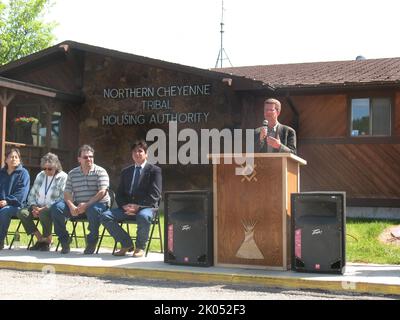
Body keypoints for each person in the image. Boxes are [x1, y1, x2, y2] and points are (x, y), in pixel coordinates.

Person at [101, 140, 162, 258]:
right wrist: (124, 205)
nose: (137, 153)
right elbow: (119, 193)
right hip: (127, 207)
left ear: (146, 153)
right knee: (105, 216)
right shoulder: (126, 171)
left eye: (140, 151)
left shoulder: (154, 170)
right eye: (134, 151)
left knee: (143, 216)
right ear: (131, 154)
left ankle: (140, 247)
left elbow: (155, 194)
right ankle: (126, 244)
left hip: (146, 207)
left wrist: (138, 207)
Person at [50, 145, 110, 254]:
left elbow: (102, 192)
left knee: (93, 209)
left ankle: (91, 242)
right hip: (78, 205)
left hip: (98, 204)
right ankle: (64, 240)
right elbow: (67, 192)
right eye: (85, 157)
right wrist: (71, 206)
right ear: (79, 159)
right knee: (56, 208)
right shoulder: (73, 173)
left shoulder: (101, 171)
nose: (89, 159)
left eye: (91, 156)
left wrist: (86, 205)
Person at [17, 153, 68, 251]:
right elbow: (32, 194)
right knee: (22, 213)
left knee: (44, 213)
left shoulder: (63, 177)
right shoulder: (40, 175)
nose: (46, 171)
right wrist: (33, 206)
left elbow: (62, 198)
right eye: (44, 168)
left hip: (53, 209)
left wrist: (43, 208)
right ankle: (42, 240)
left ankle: (46, 240)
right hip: (37, 207)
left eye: (50, 169)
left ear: (56, 166)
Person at [0, 148, 30, 250]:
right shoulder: (1, 173)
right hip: (2, 204)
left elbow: (22, 194)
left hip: (18, 206)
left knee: (5, 211)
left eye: (16, 157)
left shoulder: (23, 173)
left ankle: (0, 240)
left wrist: (7, 201)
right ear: (6, 159)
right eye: (11, 157)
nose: (14, 159)